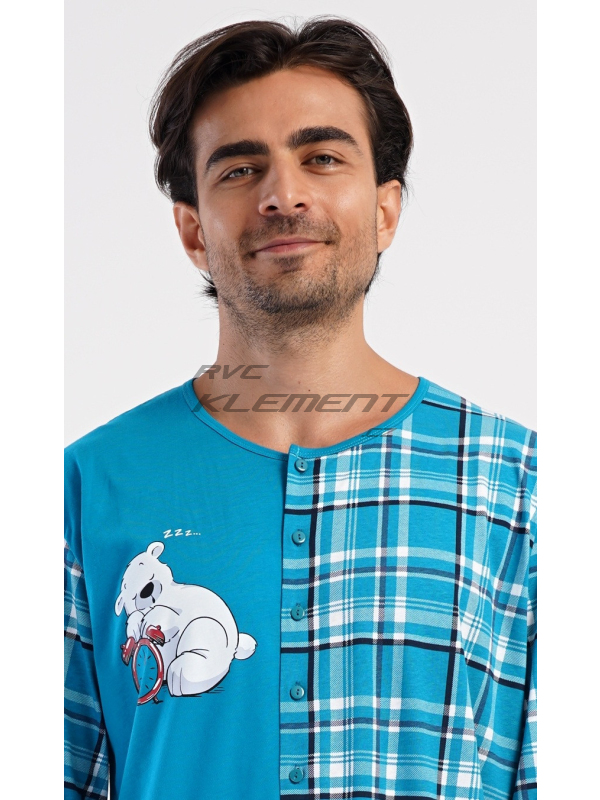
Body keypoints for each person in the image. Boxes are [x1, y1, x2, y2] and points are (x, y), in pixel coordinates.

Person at [64, 18, 537, 800]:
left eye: (321, 157)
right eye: (240, 168)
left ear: (385, 211)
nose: (283, 195)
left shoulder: (519, 486)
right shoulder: (84, 487)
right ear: (192, 230)